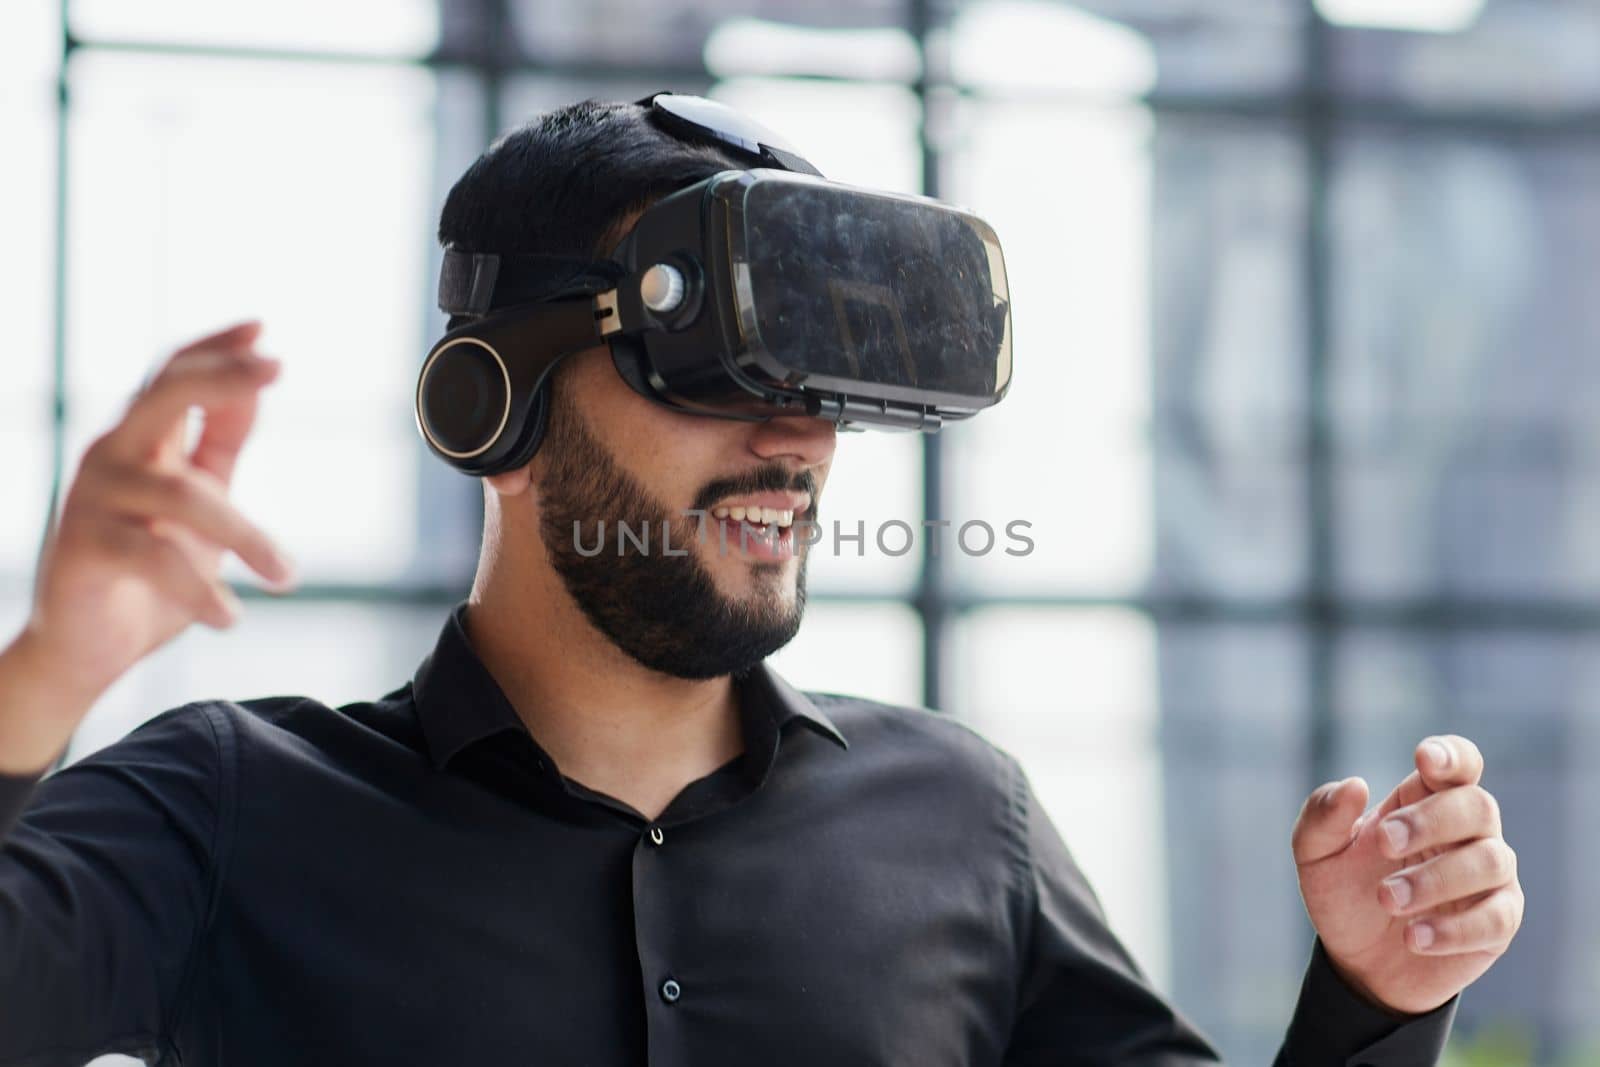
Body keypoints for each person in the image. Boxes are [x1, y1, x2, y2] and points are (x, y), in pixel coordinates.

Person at [0, 99, 1522, 1066]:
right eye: (717, 369)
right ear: (495, 408)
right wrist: (42, 685)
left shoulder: (959, 818)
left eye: (824, 385)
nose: (795, 438)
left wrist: (1376, 1001)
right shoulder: (229, 807)